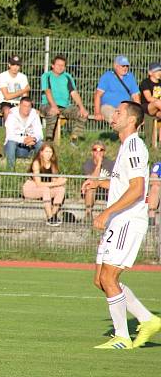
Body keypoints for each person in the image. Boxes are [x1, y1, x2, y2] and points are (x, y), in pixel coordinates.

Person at [91, 101, 160, 349]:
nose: (114, 115)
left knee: (110, 277)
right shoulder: (125, 146)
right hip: (118, 220)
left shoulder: (133, 146)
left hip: (127, 221)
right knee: (101, 279)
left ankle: (122, 337)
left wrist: (106, 212)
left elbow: (138, 189)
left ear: (131, 120)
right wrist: (100, 185)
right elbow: (125, 184)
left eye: (119, 112)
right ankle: (147, 319)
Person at [40, 54, 89, 143]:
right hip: (48, 104)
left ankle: (74, 139)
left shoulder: (67, 77)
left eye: (63, 65)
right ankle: (48, 140)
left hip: (65, 106)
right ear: (53, 65)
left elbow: (74, 93)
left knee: (83, 114)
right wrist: (54, 106)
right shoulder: (46, 76)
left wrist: (82, 107)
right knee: (52, 112)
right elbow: (47, 91)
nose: (60, 67)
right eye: (58, 65)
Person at [22, 143, 67, 226]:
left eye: (50, 152)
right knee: (45, 189)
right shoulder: (37, 163)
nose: (48, 154)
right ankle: (50, 217)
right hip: (31, 188)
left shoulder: (53, 164)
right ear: (41, 152)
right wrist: (57, 182)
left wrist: (60, 180)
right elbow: (38, 184)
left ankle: (53, 215)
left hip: (44, 189)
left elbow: (54, 181)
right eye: (46, 151)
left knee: (61, 189)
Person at [93, 56, 140, 122]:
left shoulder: (130, 77)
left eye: (127, 66)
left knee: (129, 121)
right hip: (108, 107)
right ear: (115, 66)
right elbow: (98, 95)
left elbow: (136, 96)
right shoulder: (107, 76)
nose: (125, 68)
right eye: (123, 66)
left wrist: (139, 113)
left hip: (124, 108)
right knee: (116, 119)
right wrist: (97, 113)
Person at [3, 97, 44, 170]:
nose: (27, 108)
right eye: (24, 106)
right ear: (19, 106)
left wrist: (34, 139)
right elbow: (10, 135)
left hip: (30, 148)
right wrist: (25, 140)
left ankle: (41, 170)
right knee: (11, 143)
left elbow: (40, 134)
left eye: (29, 106)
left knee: (40, 143)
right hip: (15, 148)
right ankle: (10, 171)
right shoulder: (12, 115)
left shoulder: (35, 114)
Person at [80, 141, 115, 223]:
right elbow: (92, 180)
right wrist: (99, 164)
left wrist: (100, 183)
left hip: (106, 189)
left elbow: (113, 180)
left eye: (101, 150)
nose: (98, 152)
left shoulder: (111, 164)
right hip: (93, 190)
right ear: (92, 152)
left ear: (104, 152)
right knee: (90, 187)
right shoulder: (87, 164)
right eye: (95, 149)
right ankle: (88, 214)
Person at [0, 55, 30, 121]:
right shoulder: (2, 76)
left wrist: (21, 104)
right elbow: (7, 97)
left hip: (20, 103)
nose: (15, 67)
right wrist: (24, 90)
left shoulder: (23, 77)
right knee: (7, 111)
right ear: (9, 65)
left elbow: (25, 96)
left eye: (17, 65)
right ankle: (8, 131)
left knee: (29, 111)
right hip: (5, 102)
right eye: (13, 64)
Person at [139, 63, 161, 145]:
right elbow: (149, 98)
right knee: (157, 102)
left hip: (159, 109)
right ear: (150, 73)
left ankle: (158, 144)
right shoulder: (145, 82)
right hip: (147, 108)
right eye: (156, 71)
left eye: (160, 70)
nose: (159, 72)